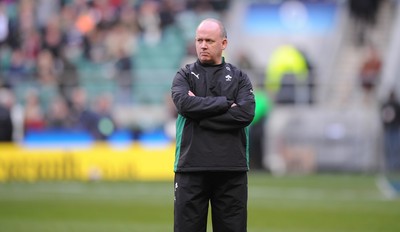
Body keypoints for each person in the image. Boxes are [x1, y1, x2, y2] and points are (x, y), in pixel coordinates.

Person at [171, 18, 255, 232]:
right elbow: (184, 104)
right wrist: (225, 103)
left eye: (209, 40)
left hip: (231, 170)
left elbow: (245, 114)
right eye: (199, 40)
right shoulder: (184, 75)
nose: (203, 45)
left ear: (223, 43)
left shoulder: (240, 78)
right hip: (191, 168)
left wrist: (198, 113)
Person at [381, 89, 400, 172]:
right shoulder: (386, 105)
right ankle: (391, 167)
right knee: (390, 149)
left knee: (395, 149)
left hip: (394, 129)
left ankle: (395, 166)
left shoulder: (396, 105)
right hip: (389, 129)